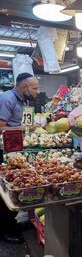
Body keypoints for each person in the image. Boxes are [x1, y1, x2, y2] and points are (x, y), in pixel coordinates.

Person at [0, 72, 40, 243]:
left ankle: (12, 223)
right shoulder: (7, 99)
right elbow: (1, 128)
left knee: (16, 184)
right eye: (35, 88)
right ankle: (6, 229)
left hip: (17, 148)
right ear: (24, 87)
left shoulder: (25, 100)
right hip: (4, 149)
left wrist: (30, 126)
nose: (38, 91)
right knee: (6, 191)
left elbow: (22, 122)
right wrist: (23, 128)